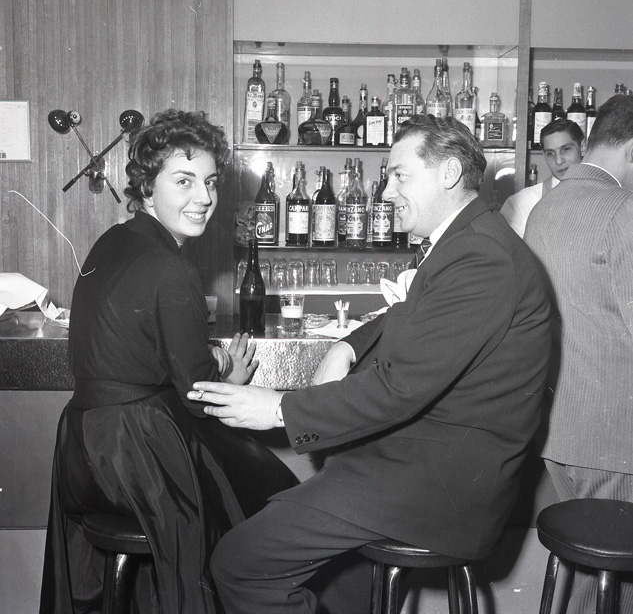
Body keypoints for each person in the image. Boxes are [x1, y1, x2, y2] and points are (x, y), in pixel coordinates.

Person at [189, 115, 553, 614]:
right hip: (416, 462)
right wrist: (347, 346)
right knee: (327, 576)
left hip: (439, 486)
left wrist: (277, 408)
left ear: (449, 173)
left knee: (239, 562)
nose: (386, 192)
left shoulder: (480, 257)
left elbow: (399, 387)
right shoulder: (464, 241)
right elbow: (409, 314)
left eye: (400, 175)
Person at [39, 109, 297, 614]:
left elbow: (142, 351)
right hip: (135, 457)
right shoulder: (169, 268)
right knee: (275, 496)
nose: (203, 197)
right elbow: (198, 397)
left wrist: (209, 362)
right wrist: (230, 374)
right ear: (147, 187)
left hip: (82, 449)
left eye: (210, 182)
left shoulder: (113, 241)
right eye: (184, 181)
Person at [524, 94, 633, 613]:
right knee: (620, 585)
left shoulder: (546, 206)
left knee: (594, 577)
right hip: (616, 435)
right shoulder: (623, 210)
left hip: (560, 428)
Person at [500, 119, 585, 237]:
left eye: (566, 149)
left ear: (583, 147)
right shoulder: (520, 203)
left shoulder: (604, 196)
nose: (558, 161)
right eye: (550, 153)